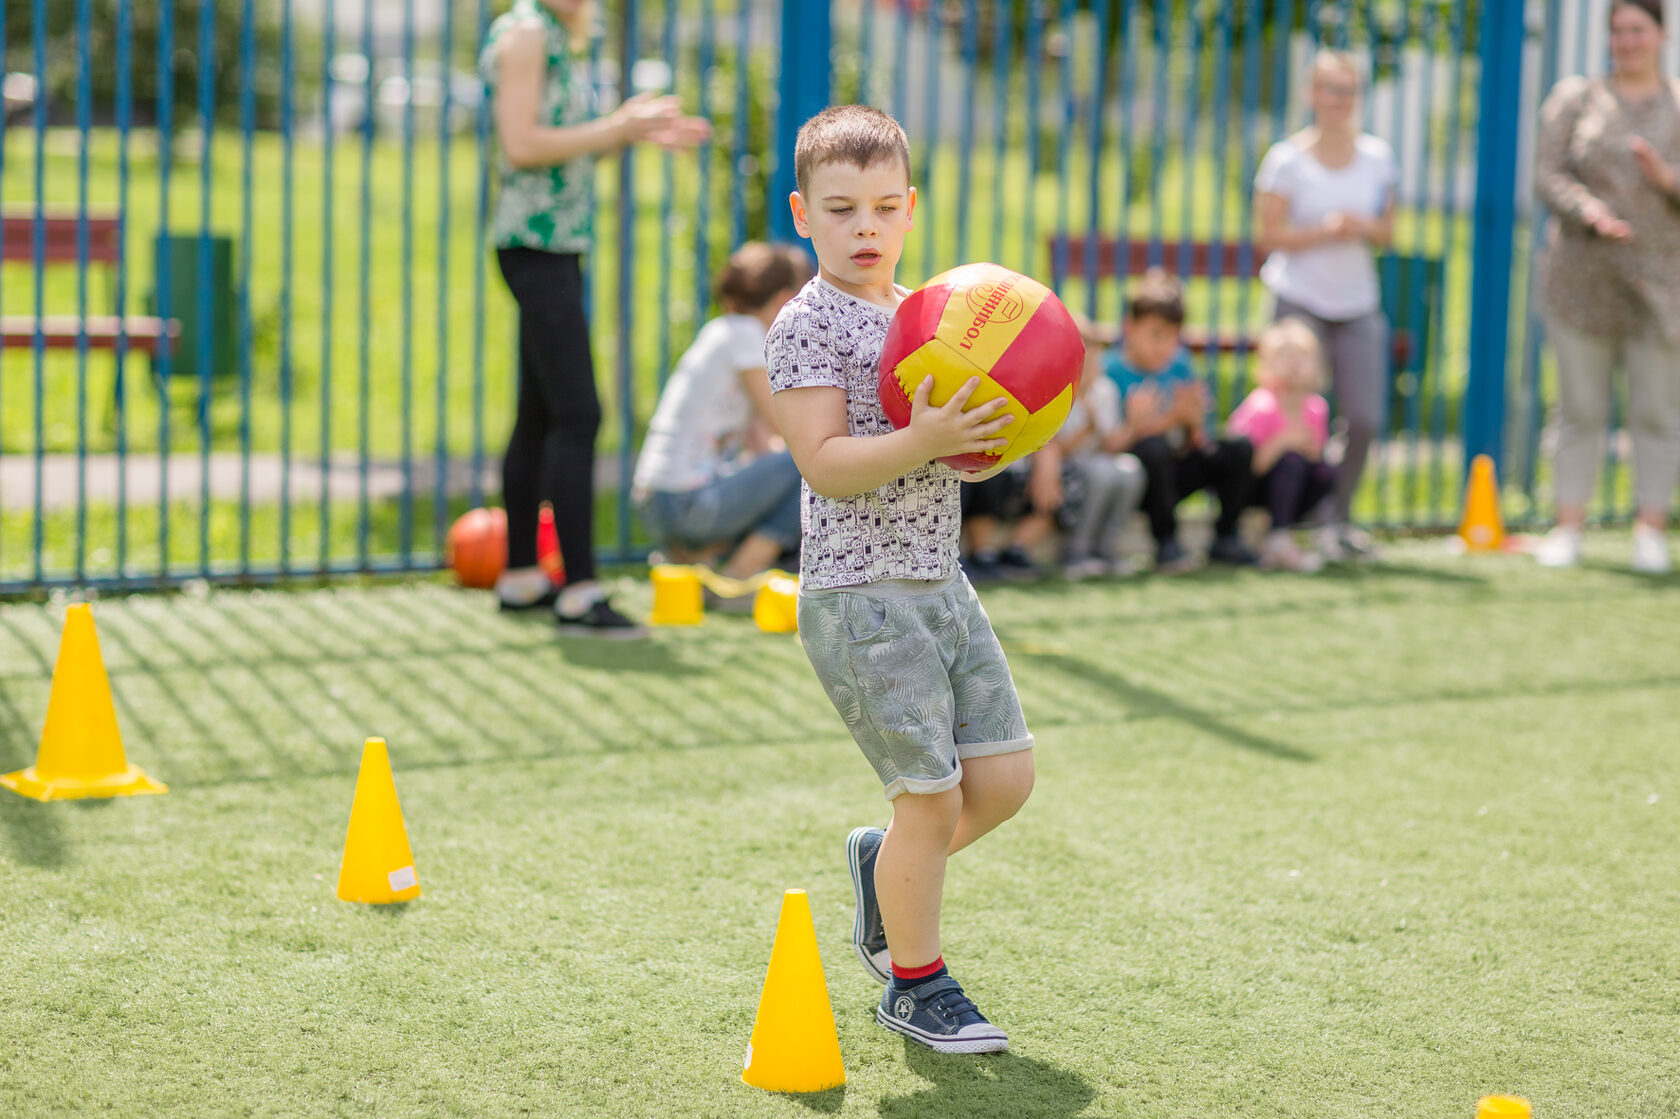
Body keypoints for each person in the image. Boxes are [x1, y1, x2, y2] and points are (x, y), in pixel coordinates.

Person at [767, 105, 1031, 1054]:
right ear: (804, 212)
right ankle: (915, 986)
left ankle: (885, 870)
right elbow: (826, 461)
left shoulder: (931, 314)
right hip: (860, 595)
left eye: (884, 207)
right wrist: (922, 438)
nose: (865, 228)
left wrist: (972, 449)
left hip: (940, 582)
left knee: (1002, 778)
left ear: (911, 208)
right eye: (841, 209)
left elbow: (950, 452)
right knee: (930, 796)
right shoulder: (805, 325)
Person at [480, 0, 709, 629]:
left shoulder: (564, 36)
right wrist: (618, 128)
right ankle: (579, 588)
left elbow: (564, 147)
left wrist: (630, 132)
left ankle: (524, 576)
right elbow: (521, 144)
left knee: (539, 415)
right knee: (580, 412)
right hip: (534, 244)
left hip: (554, 245)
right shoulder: (527, 33)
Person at [1533, 0, 1680, 574]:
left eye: (1637, 29)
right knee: (1580, 408)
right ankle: (1568, 527)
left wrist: (1666, 180)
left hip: (1662, 286)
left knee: (1656, 410)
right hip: (1582, 280)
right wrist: (1589, 211)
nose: (1626, 41)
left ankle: (1650, 530)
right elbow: (1547, 173)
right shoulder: (1576, 98)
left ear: (1661, 35)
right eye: (1617, 31)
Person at [1254, 49, 1398, 562]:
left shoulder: (1379, 156)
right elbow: (1266, 234)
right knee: (1290, 412)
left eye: (1348, 90)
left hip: (1357, 302)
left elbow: (1388, 229)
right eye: (1330, 89)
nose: (1339, 100)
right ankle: (1279, 522)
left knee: (1364, 417)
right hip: (1300, 298)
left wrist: (1363, 228)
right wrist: (1324, 231)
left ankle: (1335, 517)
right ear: (1312, 94)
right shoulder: (1286, 159)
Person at [632, 243, 813, 586]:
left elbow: (762, 444)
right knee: (810, 460)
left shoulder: (722, 332)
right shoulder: (746, 335)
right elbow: (786, 429)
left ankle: (698, 558)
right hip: (686, 503)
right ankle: (738, 576)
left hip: (657, 501)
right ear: (784, 300)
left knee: (791, 466)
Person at [1106, 270, 1256, 573]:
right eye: (1157, 335)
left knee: (1237, 447)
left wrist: (1193, 422)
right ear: (1130, 328)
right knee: (1153, 447)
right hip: (1137, 482)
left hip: (1175, 471)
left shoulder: (1181, 364)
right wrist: (1163, 420)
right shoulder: (1109, 372)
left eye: (1174, 337)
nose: (1166, 346)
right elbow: (1111, 445)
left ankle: (1226, 537)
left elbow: (1196, 441)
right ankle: (1167, 544)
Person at [1227, 320, 1335, 573]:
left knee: (1325, 472)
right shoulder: (1260, 406)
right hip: (1256, 486)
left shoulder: (1316, 408)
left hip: (1293, 488)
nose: (1294, 365)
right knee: (1290, 462)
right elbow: (1243, 466)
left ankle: (1289, 532)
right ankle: (1278, 538)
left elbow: (1316, 458)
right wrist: (1283, 442)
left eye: (1301, 357)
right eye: (1285, 357)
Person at [1053, 314, 1146, 579]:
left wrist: (1133, 424)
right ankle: (1077, 550)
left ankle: (1107, 548)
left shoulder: (1104, 390)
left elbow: (1111, 446)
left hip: (1097, 463)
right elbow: (1061, 449)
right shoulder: (1057, 390)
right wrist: (1088, 426)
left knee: (1130, 469)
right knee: (1102, 472)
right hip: (1069, 470)